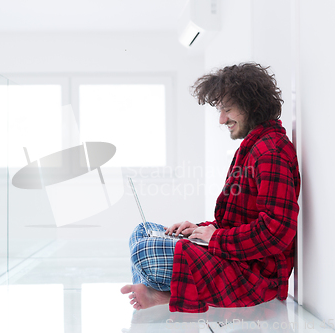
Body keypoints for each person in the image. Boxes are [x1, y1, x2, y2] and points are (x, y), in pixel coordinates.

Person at [121, 62, 300, 313]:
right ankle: (160, 293)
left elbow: (277, 231)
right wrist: (201, 229)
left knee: (145, 251)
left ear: (253, 106)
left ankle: (161, 293)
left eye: (227, 110)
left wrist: (215, 237)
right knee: (142, 232)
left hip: (255, 274)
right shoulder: (252, 147)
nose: (221, 119)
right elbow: (237, 221)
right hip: (233, 254)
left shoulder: (270, 152)